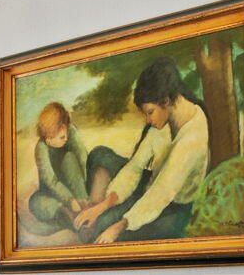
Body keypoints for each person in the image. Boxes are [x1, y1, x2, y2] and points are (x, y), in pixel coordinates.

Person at [69, 56, 211, 244]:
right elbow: (136, 167)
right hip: (149, 187)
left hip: (173, 207)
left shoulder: (193, 136)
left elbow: (162, 192)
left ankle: (96, 223)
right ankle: (93, 212)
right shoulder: (166, 117)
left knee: (108, 230)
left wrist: (119, 227)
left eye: (150, 112)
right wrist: (102, 206)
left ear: (166, 101)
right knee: (99, 154)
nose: (147, 120)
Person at [25, 101, 159, 241]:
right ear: (48, 138)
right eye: (61, 137)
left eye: (66, 133)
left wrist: (82, 199)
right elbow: (50, 181)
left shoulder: (70, 132)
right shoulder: (41, 148)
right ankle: (69, 216)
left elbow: (83, 160)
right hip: (56, 193)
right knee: (35, 202)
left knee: (69, 159)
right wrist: (69, 200)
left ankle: (82, 215)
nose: (65, 139)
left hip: (77, 187)